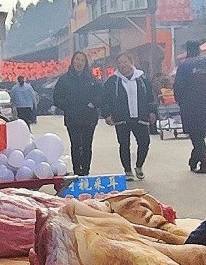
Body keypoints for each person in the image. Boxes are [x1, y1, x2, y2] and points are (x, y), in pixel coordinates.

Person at [50, 50, 105, 178]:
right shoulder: (64, 79)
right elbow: (57, 98)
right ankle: (77, 172)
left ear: (85, 63)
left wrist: (94, 103)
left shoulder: (92, 79)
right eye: (77, 59)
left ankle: (85, 172)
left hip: (89, 118)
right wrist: (68, 106)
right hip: (72, 117)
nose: (79, 62)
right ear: (72, 61)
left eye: (82, 60)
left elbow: (102, 95)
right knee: (75, 145)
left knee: (87, 145)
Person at [172, 41, 206, 172]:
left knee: (195, 135)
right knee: (200, 135)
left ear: (188, 50)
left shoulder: (184, 66)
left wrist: (180, 102)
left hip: (189, 106)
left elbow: (178, 87)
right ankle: (193, 161)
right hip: (205, 104)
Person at [107, 63, 154, 176]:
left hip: (140, 117)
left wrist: (152, 111)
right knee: (124, 145)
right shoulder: (113, 81)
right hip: (121, 118)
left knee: (144, 142)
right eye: (120, 63)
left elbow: (150, 96)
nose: (123, 66)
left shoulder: (141, 78)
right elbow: (107, 98)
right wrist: (107, 114)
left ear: (130, 62)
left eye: (125, 62)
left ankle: (139, 166)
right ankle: (127, 170)